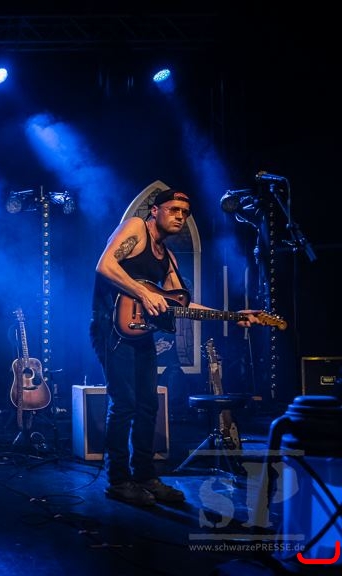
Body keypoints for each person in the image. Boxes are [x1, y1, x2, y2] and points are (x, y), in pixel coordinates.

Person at [90, 188, 258, 507]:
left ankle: (144, 476)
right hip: (110, 328)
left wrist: (233, 316)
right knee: (124, 404)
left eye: (185, 212)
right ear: (155, 210)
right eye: (174, 209)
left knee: (148, 405)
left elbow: (182, 304)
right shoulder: (136, 228)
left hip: (140, 333)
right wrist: (143, 293)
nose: (180, 216)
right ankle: (118, 480)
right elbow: (105, 265)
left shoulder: (167, 258)